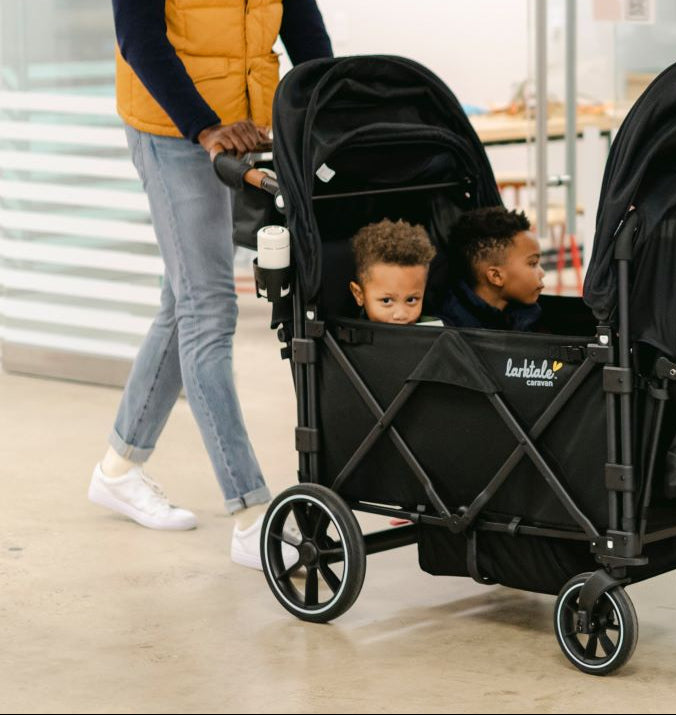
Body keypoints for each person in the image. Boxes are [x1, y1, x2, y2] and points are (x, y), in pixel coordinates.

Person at [87, 0, 332, 571]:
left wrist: (329, 113)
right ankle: (251, 514)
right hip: (172, 129)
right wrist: (202, 126)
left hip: (243, 126)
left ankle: (118, 469)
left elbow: (305, 32)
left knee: (184, 302)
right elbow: (139, 38)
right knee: (209, 310)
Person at [437, 207, 545, 331]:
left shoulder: (525, 312)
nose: (542, 274)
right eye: (533, 263)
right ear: (496, 276)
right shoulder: (455, 329)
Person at [348, 219, 438, 326]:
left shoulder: (437, 331)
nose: (401, 315)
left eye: (411, 300)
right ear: (359, 295)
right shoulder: (345, 336)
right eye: (386, 301)